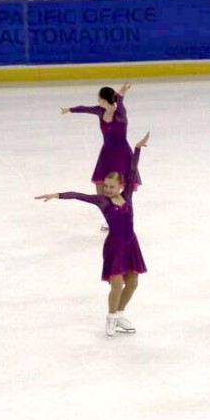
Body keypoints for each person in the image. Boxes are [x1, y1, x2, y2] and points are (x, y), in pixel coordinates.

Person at [35, 132, 150, 337]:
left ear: (121, 186)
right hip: (115, 245)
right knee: (116, 285)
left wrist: (138, 148)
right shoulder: (102, 201)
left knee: (132, 284)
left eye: (111, 186)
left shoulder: (127, 196)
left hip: (131, 244)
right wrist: (57, 195)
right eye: (105, 186)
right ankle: (111, 317)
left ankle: (119, 314)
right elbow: (79, 195)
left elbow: (132, 170)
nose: (107, 189)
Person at [61, 82, 139, 230]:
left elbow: (120, 99)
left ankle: (124, 214)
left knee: (123, 186)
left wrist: (122, 92)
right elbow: (84, 108)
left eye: (99, 98)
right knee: (100, 186)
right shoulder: (99, 110)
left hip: (122, 154)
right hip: (107, 153)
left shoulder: (120, 111)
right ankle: (109, 217)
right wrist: (69, 109)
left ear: (104, 100)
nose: (97, 101)